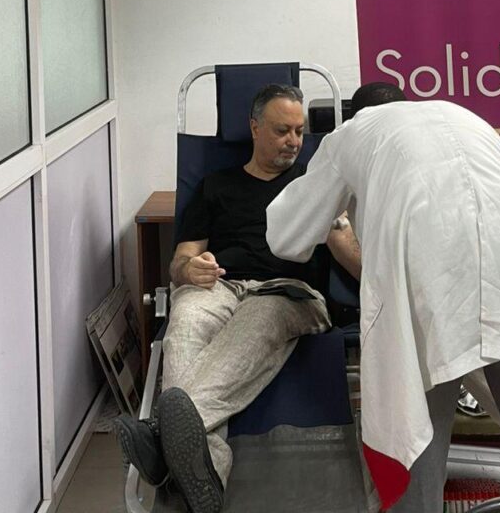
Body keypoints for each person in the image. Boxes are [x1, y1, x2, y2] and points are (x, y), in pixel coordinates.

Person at [266, 83, 500, 512]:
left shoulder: (350, 134)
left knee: (416, 419)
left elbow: (286, 237)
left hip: (428, 271)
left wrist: (338, 214)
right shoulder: (466, 117)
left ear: (356, 113)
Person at [115, 83, 358, 513]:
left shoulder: (314, 185)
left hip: (287, 293)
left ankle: (158, 437)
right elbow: (181, 260)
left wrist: (344, 233)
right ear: (254, 127)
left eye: (299, 131)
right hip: (220, 286)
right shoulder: (215, 186)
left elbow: (352, 257)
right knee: (184, 319)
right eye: (282, 130)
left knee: (257, 319)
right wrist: (189, 269)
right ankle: (204, 474)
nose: (294, 141)